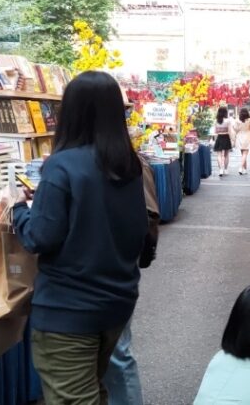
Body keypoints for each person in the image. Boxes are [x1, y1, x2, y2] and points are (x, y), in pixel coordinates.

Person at [11, 71, 149, 405]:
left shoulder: (63, 166)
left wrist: (17, 209)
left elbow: (40, 236)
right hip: (115, 303)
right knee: (93, 390)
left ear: (71, 112)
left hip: (68, 308)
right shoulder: (130, 165)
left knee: (75, 396)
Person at [103, 154, 162, 405]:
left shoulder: (129, 162)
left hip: (113, 269)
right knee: (110, 353)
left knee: (117, 351)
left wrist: (142, 254)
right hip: (103, 271)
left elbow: (149, 216)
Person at [232, 108, 250, 175]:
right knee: (245, 154)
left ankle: (245, 169)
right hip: (247, 136)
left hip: (240, 137)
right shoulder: (249, 120)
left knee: (243, 154)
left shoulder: (238, 120)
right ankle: (241, 168)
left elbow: (235, 128)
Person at [214, 107, 234, 176]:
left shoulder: (216, 121)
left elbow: (215, 132)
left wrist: (215, 140)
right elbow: (230, 131)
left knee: (219, 155)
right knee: (226, 155)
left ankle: (220, 170)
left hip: (219, 137)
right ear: (226, 112)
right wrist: (232, 140)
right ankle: (225, 169)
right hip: (226, 137)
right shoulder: (228, 121)